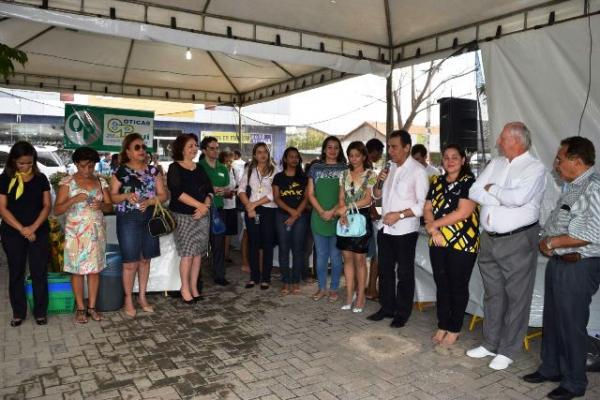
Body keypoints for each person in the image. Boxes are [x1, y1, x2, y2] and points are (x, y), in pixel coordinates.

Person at [523, 137, 600, 400]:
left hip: (578, 265)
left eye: (560, 158)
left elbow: (590, 233)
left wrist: (551, 242)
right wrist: (547, 241)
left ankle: (574, 382)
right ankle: (551, 368)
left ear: (577, 161)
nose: (556, 164)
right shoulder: (573, 186)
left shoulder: (593, 188)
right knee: (553, 320)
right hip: (560, 261)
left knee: (571, 324)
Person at [467, 122, 546, 370]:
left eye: (502, 138)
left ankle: (508, 350)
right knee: (493, 294)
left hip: (517, 239)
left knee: (516, 297)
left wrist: (492, 189)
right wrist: (499, 193)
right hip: (489, 238)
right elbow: (474, 191)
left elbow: (518, 199)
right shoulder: (496, 163)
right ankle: (490, 343)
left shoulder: (535, 168)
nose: (499, 142)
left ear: (516, 141)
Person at [368, 130, 428, 328]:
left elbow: (422, 206)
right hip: (385, 228)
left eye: (394, 147)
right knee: (385, 271)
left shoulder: (418, 171)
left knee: (404, 272)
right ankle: (387, 307)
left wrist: (399, 214)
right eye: (390, 147)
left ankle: (402, 313)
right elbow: (377, 196)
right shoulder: (390, 168)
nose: (390, 151)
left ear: (406, 147)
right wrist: (379, 181)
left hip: (405, 231)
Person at [423, 144, 479, 346]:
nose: (450, 161)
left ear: (463, 160)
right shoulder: (436, 180)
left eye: (455, 157)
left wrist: (432, 225)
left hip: (462, 242)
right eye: (446, 157)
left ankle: (454, 328)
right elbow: (427, 207)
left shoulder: (470, 182)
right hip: (437, 240)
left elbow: (463, 212)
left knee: (457, 286)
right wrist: (433, 230)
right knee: (442, 285)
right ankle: (442, 324)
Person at [110, 133, 168, 317]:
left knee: (145, 260)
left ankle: (142, 297)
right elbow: (112, 197)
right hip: (128, 219)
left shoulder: (153, 171)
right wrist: (126, 196)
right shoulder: (120, 172)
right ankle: (128, 299)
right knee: (130, 263)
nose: (142, 150)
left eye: (143, 147)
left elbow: (163, 195)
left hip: (149, 219)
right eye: (137, 147)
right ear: (127, 151)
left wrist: (150, 202)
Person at [54, 147, 113, 323]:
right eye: (82, 166)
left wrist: (101, 206)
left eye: (91, 166)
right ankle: (80, 309)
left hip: (96, 233)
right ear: (76, 164)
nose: (87, 170)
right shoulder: (67, 182)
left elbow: (110, 206)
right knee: (77, 272)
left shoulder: (102, 182)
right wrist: (73, 199)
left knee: (94, 271)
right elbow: (57, 210)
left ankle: (92, 307)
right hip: (76, 235)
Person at [0, 141, 51, 327]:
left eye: (29, 163)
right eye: (21, 163)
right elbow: (2, 209)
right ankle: (18, 312)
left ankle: (40, 312)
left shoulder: (41, 179)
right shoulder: (5, 178)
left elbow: (47, 206)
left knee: (39, 273)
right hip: (12, 233)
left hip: (39, 232)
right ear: (13, 161)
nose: (25, 166)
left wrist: (33, 228)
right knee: (16, 273)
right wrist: (22, 229)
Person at [167, 134, 212, 304]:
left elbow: (209, 190)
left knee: (198, 254)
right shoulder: (174, 167)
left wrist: (204, 206)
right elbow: (177, 193)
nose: (194, 149)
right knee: (187, 254)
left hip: (201, 216)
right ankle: (184, 288)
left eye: (195, 145)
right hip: (183, 216)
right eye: (190, 146)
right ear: (181, 149)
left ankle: (194, 287)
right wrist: (199, 206)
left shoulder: (199, 168)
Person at [336, 141, 376, 313]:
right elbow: (341, 198)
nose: (353, 159)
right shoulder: (344, 174)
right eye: (351, 155)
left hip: (362, 219)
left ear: (364, 156)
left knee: (360, 260)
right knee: (347, 259)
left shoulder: (370, 174)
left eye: (357, 155)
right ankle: (349, 295)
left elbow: (368, 199)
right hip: (345, 219)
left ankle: (360, 297)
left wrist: (347, 209)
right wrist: (343, 213)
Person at [307, 136, 347, 302]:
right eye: (329, 147)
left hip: (338, 218)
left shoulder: (345, 169)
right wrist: (322, 212)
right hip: (318, 217)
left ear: (339, 150)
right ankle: (322, 288)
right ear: (324, 149)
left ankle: (334, 289)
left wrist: (332, 212)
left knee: (336, 257)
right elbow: (310, 194)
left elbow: (345, 196)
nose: (332, 151)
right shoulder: (315, 168)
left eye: (336, 147)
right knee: (322, 256)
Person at [238, 142, 277, 289]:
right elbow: (241, 190)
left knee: (267, 244)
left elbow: (274, 194)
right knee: (253, 244)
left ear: (268, 153)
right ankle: (254, 277)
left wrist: (254, 204)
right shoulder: (249, 169)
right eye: (259, 152)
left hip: (268, 210)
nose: (262, 155)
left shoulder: (275, 170)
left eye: (265, 152)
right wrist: (249, 206)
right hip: (251, 211)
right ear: (254, 155)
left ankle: (266, 277)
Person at [272, 147, 308, 295]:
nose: (294, 159)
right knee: (284, 249)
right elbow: (276, 198)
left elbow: (306, 198)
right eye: (291, 157)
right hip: (282, 216)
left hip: (300, 217)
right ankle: (286, 281)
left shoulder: (304, 177)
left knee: (298, 250)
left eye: (296, 157)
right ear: (285, 159)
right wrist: (290, 212)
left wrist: (295, 214)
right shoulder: (278, 177)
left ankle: (295, 281)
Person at [198, 136, 231, 286]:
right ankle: (196, 278)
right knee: (199, 245)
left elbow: (229, 191)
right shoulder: (198, 167)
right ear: (204, 150)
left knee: (218, 244)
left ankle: (219, 275)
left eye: (217, 147)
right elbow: (195, 189)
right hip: (202, 210)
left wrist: (224, 191)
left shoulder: (223, 168)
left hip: (219, 209)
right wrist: (210, 190)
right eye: (212, 148)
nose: (216, 150)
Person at [365, 138, 384, 300]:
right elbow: (371, 197)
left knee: (366, 255)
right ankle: (371, 288)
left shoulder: (360, 168)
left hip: (363, 214)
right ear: (375, 152)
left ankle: (366, 287)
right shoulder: (369, 170)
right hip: (369, 215)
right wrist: (375, 212)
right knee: (376, 255)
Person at [219, 150, 238, 263]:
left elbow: (234, 184)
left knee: (229, 232)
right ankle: (220, 255)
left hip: (232, 204)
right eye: (227, 159)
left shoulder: (233, 170)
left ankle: (226, 255)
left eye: (231, 159)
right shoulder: (220, 170)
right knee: (221, 232)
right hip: (222, 205)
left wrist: (234, 191)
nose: (230, 161)